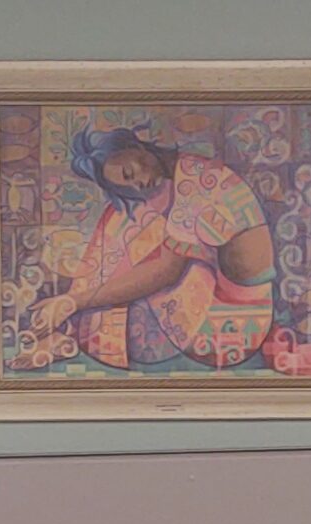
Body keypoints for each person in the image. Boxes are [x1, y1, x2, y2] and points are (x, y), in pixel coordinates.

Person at [19, 126, 276, 372]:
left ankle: (68, 328)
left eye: (130, 173)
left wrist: (74, 301)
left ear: (136, 146)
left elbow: (164, 273)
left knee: (135, 250)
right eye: (126, 187)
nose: (138, 185)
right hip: (236, 306)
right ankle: (64, 326)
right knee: (123, 224)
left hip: (233, 327)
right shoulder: (187, 166)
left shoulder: (195, 183)